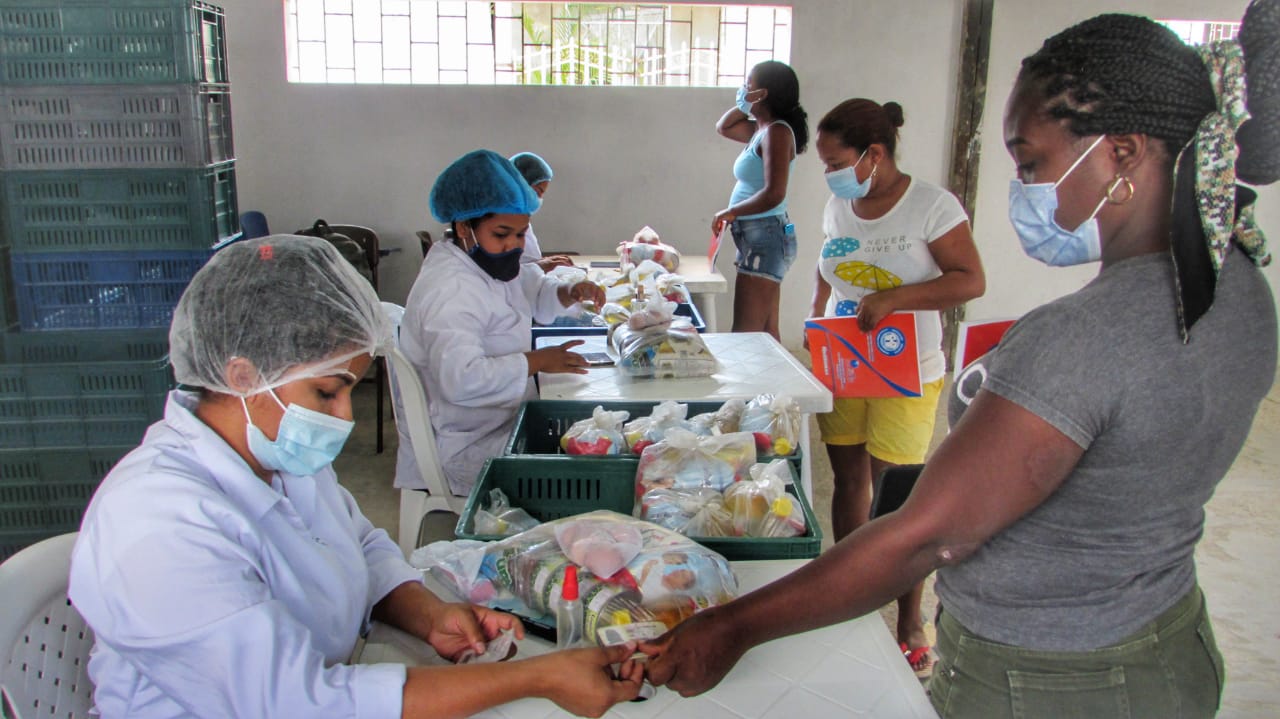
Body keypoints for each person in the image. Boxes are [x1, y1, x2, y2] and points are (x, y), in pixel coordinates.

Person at [642, 4, 1279, 717]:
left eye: (1032, 162)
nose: (1023, 189)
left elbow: (929, 533)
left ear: (1122, 154)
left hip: (1049, 681)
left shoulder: (1082, 338)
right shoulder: (1240, 288)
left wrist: (732, 625)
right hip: (1166, 640)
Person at [67, 236, 643, 719]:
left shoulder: (274, 458)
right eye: (327, 391)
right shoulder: (159, 524)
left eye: (349, 389)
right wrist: (537, 679)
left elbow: (361, 548)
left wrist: (431, 614)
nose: (343, 416)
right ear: (241, 374)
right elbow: (301, 704)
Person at [807, 97, 985, 675]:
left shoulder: (932, 206)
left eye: (834, 160)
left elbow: (969, 280)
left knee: (900, 492)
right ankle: (849, 592)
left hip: (907, 367)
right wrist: (816, 322)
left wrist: (896, 300)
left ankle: (912, 616)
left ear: (873, 155)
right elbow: (826, 264)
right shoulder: (841, 201)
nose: (827, 173)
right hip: (845, 359)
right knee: (848, 476)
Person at [397, 150, 606, 497]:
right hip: (463, 445)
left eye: (522, 234)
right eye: (502, 234)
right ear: (465, 227)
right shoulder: (450, 288)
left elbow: (530, 289)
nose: (513, 245)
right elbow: (461, 380)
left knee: (595, 440)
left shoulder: (483, 262)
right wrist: (537, 361)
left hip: (494, 421)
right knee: (587, 472)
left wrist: (569, 292)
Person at [713, 60, 808, 340]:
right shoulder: (760, 129)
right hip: (758, 236)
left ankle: (754, 386)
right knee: (766, 333)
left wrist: (731, 211)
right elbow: (723, 127)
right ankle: (775, 386)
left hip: (765, 236)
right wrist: (744, 105)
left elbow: (774, 193)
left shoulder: (777, 132)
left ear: (762, 93)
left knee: (745, 336)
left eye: (748, 84)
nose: (743, 88)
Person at [510, 151, 575, 273]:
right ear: (521, 184)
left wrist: (545, 262)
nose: (538, 198)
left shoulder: (521, 216)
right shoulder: (500, 219)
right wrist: (539, 266)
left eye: (541, 194)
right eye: (537, 191)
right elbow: (503, 275)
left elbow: (525, 260)